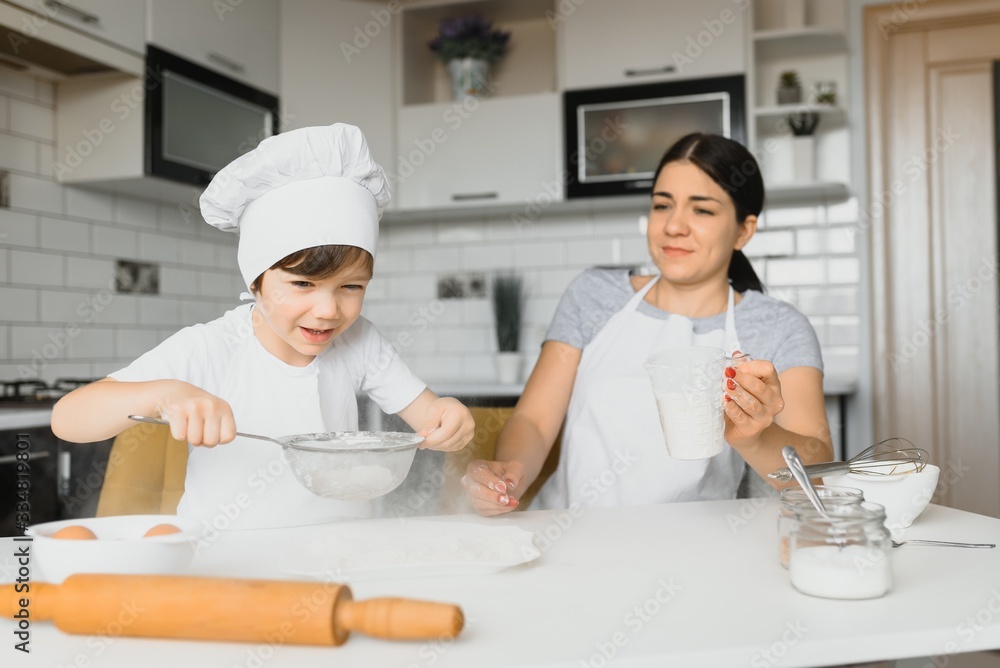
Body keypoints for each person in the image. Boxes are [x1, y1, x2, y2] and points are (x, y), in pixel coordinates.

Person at [51, 124, 475, 529]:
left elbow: (429, 414)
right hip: (229, 565)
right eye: (302, 284)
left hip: (338, 554)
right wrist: (163, 394)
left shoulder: (359, 340)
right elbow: (67, 418)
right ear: (255, 281)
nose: (328, 309)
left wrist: (449, 418)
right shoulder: (214, 347)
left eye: (350, 286)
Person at [463, 133, 833, 515]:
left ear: (744, 230)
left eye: (702, 210)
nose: (674, 226)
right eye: (662, 205)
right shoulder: (593, 295)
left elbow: (817, 469)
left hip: (695, 550)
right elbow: (535, 421)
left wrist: (757, 437)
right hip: (569, 536)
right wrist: (509, 474)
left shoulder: (777, 327)